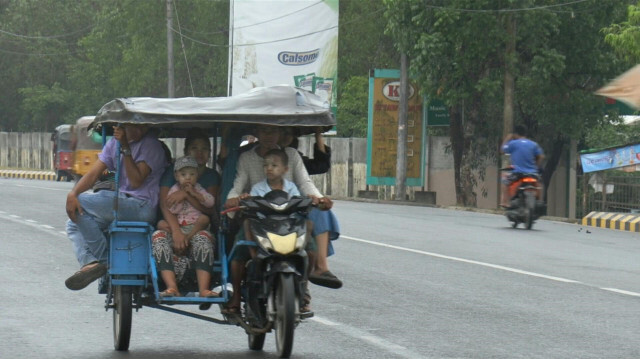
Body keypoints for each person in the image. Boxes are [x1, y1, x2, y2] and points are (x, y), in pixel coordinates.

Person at [223, 125, 332, 314]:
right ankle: (236, 296)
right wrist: (232, 198)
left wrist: (318, 198)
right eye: (264, 131)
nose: (269, 135)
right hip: (257, 217)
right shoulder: (247, 157)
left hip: (288, 219)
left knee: (310, 247)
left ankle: (304, 289)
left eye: (273, 131)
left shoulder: (291, 155)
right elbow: (238, 183)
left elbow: (304, 182)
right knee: (239, 251)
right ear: (256, 133)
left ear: (281, 134)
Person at [65, 124, 168, 290]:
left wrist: (126, 148)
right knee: (72, 222)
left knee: (82, 202)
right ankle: (90, 262)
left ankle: (105, 260)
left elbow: (135, 182)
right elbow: (93, 174)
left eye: (142, 126)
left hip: (142, 206)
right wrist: (73, 193)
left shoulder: (151, 145)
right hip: (121, 202)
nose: (140, 130)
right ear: (120, 128)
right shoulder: (114, 143)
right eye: (134, 126)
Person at [153, 129, 221, 297]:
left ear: (210, 153)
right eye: (194, 148)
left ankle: (204, 288)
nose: (199, 153)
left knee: (203, 237)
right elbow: (165, 204)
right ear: (186, 152)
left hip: (197, 227)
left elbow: (209, 208)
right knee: (159, 235)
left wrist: (187, 195)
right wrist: (176, 232)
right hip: (175, 224)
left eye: (204, 149)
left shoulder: (212, 176)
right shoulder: (173, 173)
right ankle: (171, 287)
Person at [278, 127, 342, 289]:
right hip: (266, 209)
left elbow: (311, 174)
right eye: (282, 132)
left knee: (321, 213)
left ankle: (321, 267)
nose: (286, 136)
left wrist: (318, 133)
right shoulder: (251, 155)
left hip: (293, 207)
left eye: (289, 132)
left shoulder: (293, 156)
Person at [500, 125, 545, 208]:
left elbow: (502, 150)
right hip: (532, 173)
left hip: (518, 172)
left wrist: (507, 138)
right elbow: (541, 156)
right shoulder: (533, 144)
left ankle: (505, 202)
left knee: (505, 180)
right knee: (540, 184)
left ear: (515, 134)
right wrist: (536, 167)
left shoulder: (513, 143)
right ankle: (540, 201)